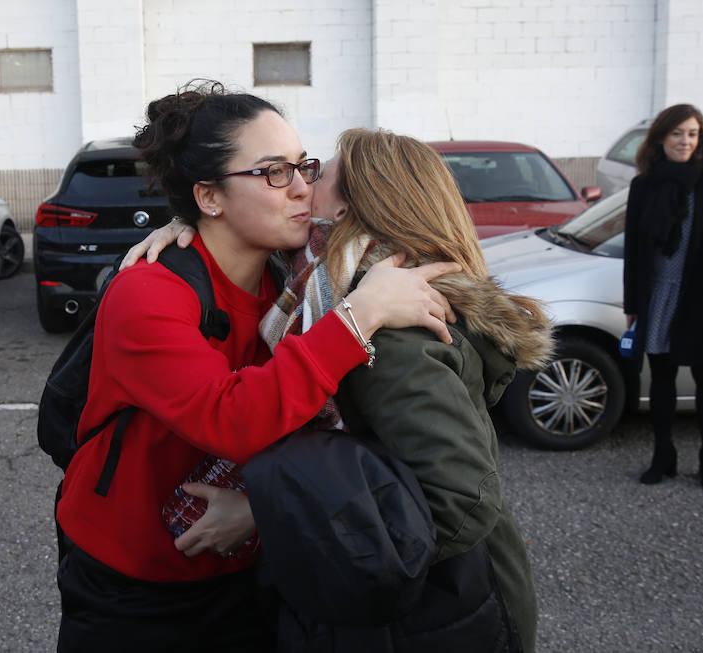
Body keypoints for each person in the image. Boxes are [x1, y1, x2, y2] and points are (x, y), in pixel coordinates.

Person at [54, 80, 460, 653]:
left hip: (249, 567)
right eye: (274, 172)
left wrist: (261, 516)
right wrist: (357, 317)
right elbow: (231, 418)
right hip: (132, 583)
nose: (301, 189)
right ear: (210, 197)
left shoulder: (291, 283)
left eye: (305, 167)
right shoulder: (147, 292)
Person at [129, 128, 554, 652]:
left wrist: (265, 515)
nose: (302, 187)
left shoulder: (389, 325)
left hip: (439, 615)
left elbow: (459, 501)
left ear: (351, 204)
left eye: (316, 174)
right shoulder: (326, 286)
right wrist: (194, 222)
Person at [623, 103, 703, 491]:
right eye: (678, 133)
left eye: (693, 134)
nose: (685, 141)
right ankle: (664, 456)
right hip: (658, 295)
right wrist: (632, 305)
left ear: (702, 138)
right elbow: (633, 248)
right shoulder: (644, 184)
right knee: (660, 378)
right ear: (662, 137)